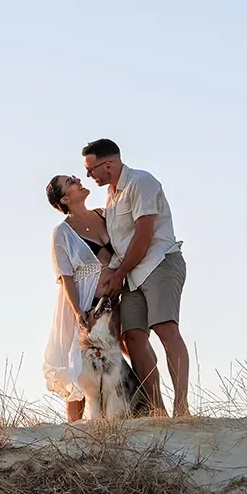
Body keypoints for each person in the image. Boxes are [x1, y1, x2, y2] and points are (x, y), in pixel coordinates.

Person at [83, 138, 190, 417]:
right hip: (130, 274)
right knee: (132, 336)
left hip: (159, 263)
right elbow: (120, 243)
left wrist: (118, 275)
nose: (89, 175)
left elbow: (144, 236)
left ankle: (182, 408)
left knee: (167, 329)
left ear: (109, 163)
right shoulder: (111, 196)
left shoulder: (141, 182)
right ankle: (157, 410)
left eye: (91, 168)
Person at [42, 174, 115, 421]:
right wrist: (78, 313)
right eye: (71, 181)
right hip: (85, 305)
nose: (77, 180)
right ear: (64, 198)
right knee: (78, 368)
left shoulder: (104, 215)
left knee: (115, 363)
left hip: (115, 301)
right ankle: (74, 433)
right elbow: (66, 277)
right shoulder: (62, 232)